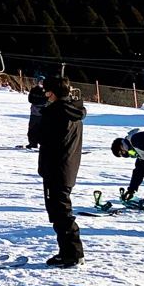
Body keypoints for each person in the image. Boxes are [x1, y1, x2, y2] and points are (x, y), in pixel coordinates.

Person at [37, 77, 86, 267]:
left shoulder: (54, 112)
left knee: (60, 212)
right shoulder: (73, 110)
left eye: (47, 92)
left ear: (53, 92)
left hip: (56, 168)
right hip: (67, 167)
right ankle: (68, 251)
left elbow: (38, 136)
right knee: (60, 211)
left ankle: (73, 253)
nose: (45, 95)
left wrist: (41, 117)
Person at [26, 79, 47, 149]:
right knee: (32, 129)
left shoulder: (47, 90)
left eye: (42, 82)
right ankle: (32, 143)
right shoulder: (33, 89)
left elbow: (46, 100)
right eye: (39, 82)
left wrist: (39, 102)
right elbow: (30, 99)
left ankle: (43, 144)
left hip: (43, 114)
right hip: (34, 113)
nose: (40, 83)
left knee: (43, 130)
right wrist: (37, 101)